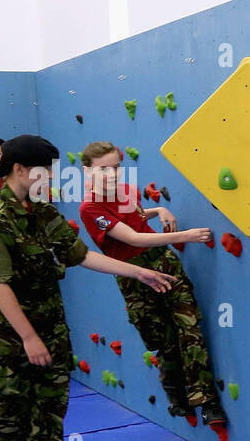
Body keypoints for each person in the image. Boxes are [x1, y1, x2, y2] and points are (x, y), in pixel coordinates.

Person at [0, 134, 175, 441]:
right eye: (45, 171)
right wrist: (28, 337)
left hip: (49, 325)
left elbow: (80, 255)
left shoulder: (40, 211)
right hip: (11, 335)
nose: (50, 178)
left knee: (48, 404)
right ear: (19, 169)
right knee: (12, 410)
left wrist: (137, 273)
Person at [77, 141, 225, 425]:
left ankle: (206, 400)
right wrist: (185, 236)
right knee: (164, 338)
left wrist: (159, 211)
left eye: (116, 168)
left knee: (190, 327)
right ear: (87, 172)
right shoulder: (89, 207)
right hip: (133, 274)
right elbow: (133, 237)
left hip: (162, 261)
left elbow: (137, 218)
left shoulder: (127, 192)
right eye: (103, 169)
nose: (111, 175)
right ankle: (175, 390)